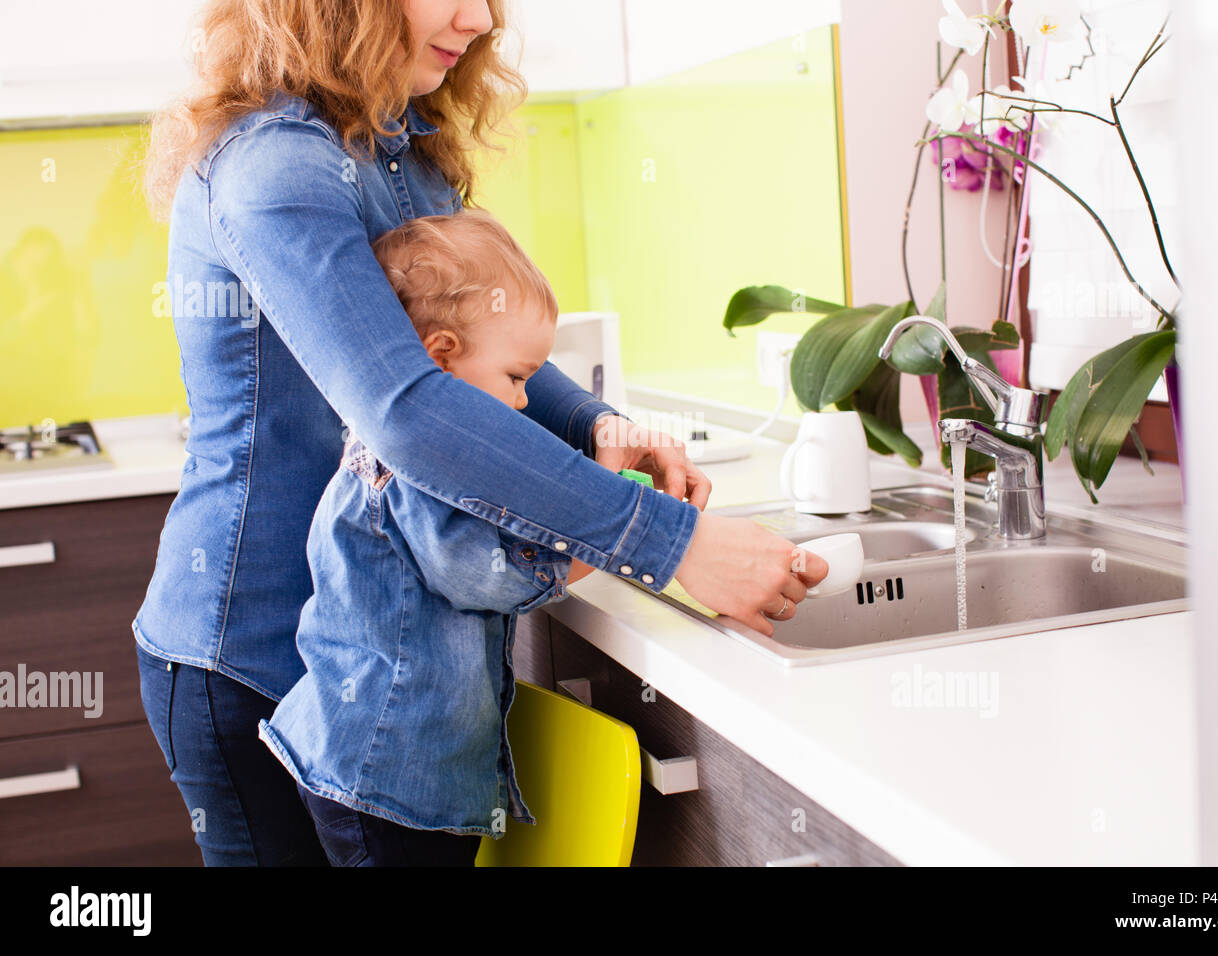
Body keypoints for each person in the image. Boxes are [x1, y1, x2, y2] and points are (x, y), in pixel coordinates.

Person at [134, 0, 828, 867]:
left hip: (374, 653)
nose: (480, 15)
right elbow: (409, 408)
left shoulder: (404, 156)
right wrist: (669, 539)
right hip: (252, 656)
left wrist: (597, 423)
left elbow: (479, 349)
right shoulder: (270, 168)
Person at [260, 208, 612, 866]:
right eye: (516, 377)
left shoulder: (386, 438)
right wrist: (606, 539)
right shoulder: (421, 468)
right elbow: (490, 571)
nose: (525, 402)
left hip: (364, 757)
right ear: (441, 355)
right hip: (389, 781)